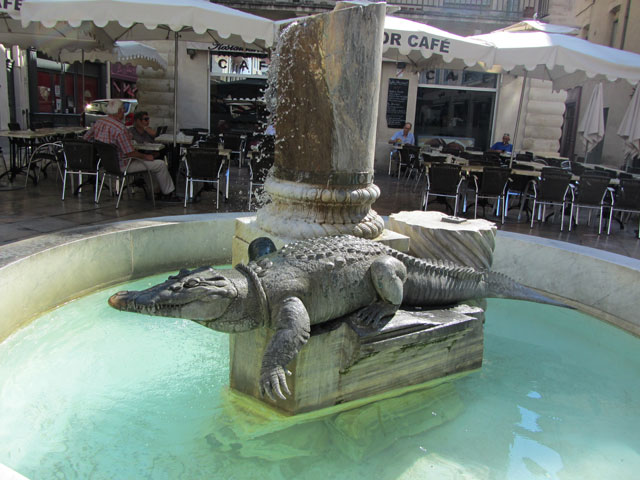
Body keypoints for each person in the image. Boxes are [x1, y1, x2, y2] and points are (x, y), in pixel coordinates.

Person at [84, 99, 179, 202]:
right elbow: (130, 153)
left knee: (147, 164)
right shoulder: (120, 129)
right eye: (123, 110)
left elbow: (86, 138)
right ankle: (168, 193)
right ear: (119, 111)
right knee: (159, 164)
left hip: (106, 164)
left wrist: (102, 147)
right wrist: (146, 156)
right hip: (123, 164)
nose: (124, 113)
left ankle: (155, 190)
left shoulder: (99, 122)